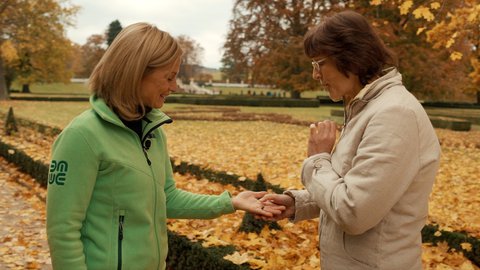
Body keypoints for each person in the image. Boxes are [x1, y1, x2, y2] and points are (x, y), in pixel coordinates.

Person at [46, 22, 282, 270]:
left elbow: (167, 198)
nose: (174, 87)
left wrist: (231, 202)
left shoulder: (153, 133)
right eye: (169, 77)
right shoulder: (81, 136)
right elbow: (62, 230)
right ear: (135, 72)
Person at [261, 10, 441, 269]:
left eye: (320, 63)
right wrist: (297, 203)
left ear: (352, 57)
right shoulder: (367, 108)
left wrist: (316, 161)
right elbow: (353, 187)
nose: (315, 75)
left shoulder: (394, 114)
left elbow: (353, 212)